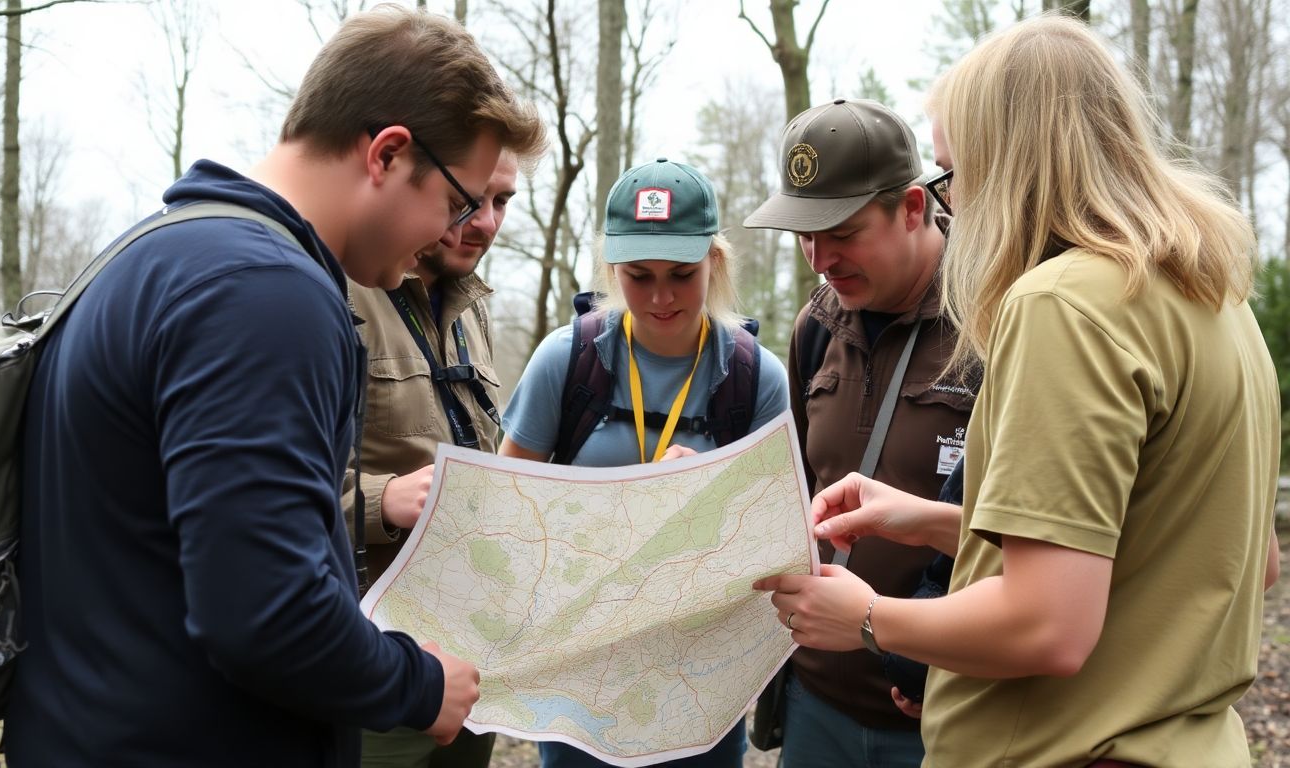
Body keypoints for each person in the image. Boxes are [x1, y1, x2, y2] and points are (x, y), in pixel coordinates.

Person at [7, 7, 547, 767]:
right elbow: (266, 612)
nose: (453, 229)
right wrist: (420, 686)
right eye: (456, 201)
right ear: (388, 154)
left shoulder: (157, 254)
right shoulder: (265, 295)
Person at [756, 14, 1282, 768]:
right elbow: (1238, 559)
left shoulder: (1062, 304)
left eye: (953, 174)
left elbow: (1049, 626)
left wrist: (869, 617)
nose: (954, 204)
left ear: (1010, 165)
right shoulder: (1212, 296)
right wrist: (939, 522)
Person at [499, 157, 790, 767]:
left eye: (682, 274)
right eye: (638, 275)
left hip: (697, 689)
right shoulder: (568, 359)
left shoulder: (756, 377)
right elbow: (508, 510)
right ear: (611, 268)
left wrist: (710, 497)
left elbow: (775, 550)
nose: (661, 297)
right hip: (580, 681)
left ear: (715, 262)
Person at [740, 98, 975, 768]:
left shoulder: (995, 324)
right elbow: (797, 489)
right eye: (803, 235)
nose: (819, 259)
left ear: (910, 207)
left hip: (945, 708)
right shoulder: (817, 328)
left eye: (840, 230)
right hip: (818, 703)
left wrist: (925, 660)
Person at [345, 151, 521, 768]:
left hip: (472, 665)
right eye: (472, 200)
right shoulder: (341, 290)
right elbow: (258, 500)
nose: (487, 223)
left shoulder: (472, 306)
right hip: (375, 669)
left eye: (504, 202)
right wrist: (380, 501)